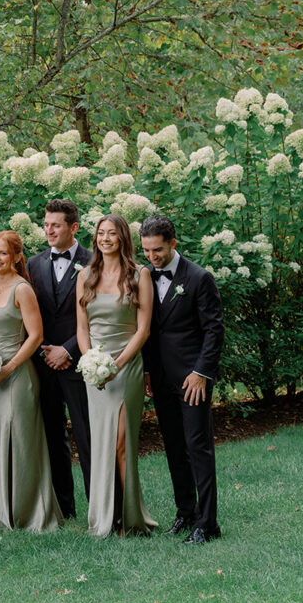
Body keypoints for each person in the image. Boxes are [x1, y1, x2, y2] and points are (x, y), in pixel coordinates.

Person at [140, 214, 224, 544]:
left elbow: (214, 330)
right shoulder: (144, 276)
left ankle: (208, 522)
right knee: (174, 448)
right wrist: (147, 371)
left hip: (192, 380)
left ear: (173, 243)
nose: (151, 257)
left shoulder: (199, 278)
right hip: (160, 379)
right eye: (146, 251)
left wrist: (202, 374)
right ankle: (185, 512)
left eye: (157, 251)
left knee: (197, 446)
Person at [76, 213, 156, 538]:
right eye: (100, 233)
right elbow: (81, 328)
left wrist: (116, 364)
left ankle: (129, 519)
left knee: (122, 443)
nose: (105, 238)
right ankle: (105, 517)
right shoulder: (85, 276)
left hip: (126, 368)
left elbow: (143, 330)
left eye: (112, 233)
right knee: (103, 444)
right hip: (96, 372)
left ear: (123, 238)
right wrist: (90, 361)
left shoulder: (140, 274)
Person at [0, 231, 62, 532]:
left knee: (22, 442)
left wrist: (8, 367)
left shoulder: (22, 288)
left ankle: (29, 513)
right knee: (2, 440)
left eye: (2, 253)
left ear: (16, 256)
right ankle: (6, 512)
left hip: (18, 375)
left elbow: (36, 336)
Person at [27, 198, 92, 519]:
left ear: (73, 227)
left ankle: (99, 506)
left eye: (56, 225)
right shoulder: (33, 263)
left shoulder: (95, 262)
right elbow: (29, 315)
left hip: (79, 361)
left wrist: (67, 350)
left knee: (87, 434)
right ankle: (65, 509)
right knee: (54, 436)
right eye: (46, 224)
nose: (48, 230)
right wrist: (47, 351)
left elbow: (97, 315)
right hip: (43, 362)